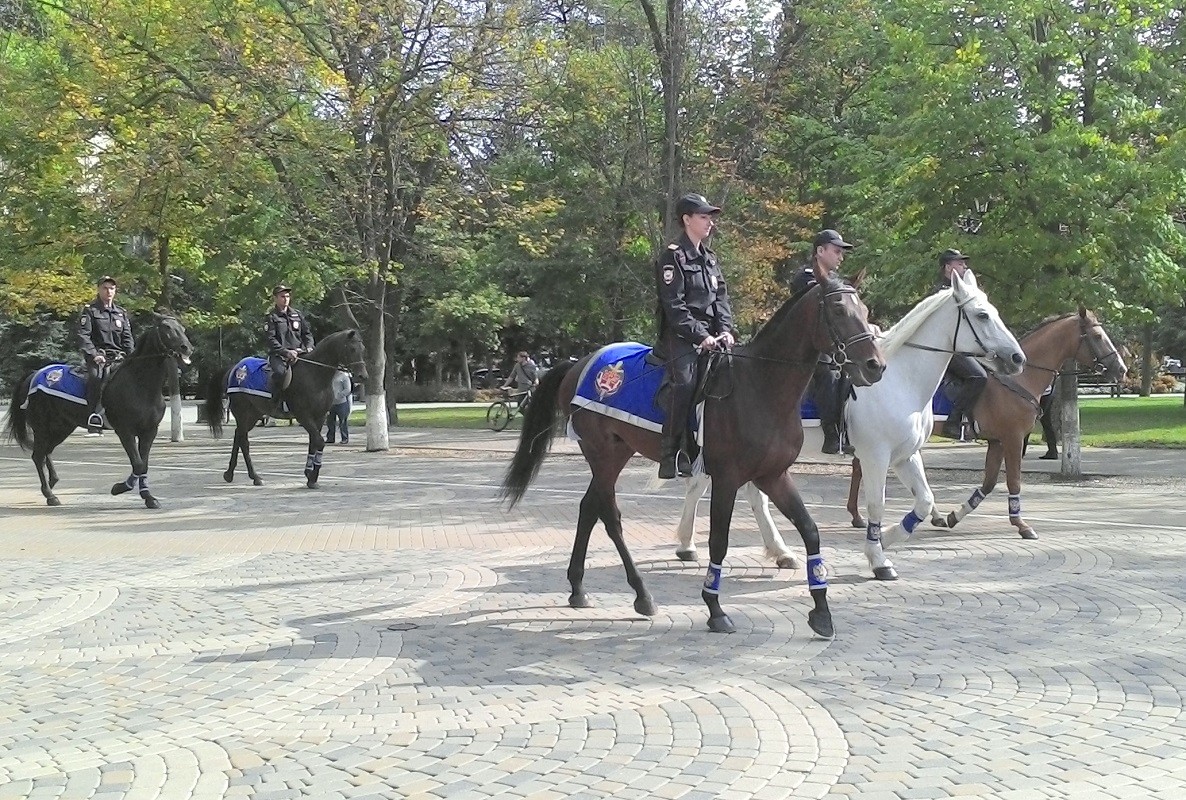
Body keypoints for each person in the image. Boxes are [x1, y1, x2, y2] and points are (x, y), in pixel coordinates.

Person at [654, 193, 735, 479]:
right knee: (685, 383)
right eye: (703, 216)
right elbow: (674, 307)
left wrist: (725, 329)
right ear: (686, 220)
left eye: (710, 217)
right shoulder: (672, 257)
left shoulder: (710, 260)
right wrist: (700, 335)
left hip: (713, 337)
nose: (710, 222)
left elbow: (721, 299)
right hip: (681, 336)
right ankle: (670, 451)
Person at [791, 229, 856, 454]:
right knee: (828, 373)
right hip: (806, 346)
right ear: (820, 251)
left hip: (830, 344)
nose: (841, 257)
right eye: (836, 251)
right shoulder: (806, 278)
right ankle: (831, 434)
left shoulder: (836, 282)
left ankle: (849, 431)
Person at [935, 249, 987, 439]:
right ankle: (953, 421)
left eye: (964, 263)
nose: (965, 266)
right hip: (947, 348)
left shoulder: (962, 291)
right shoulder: (943, 293)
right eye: (959, 263)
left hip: (962, 347)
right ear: (948, 267)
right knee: (978, 376)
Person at [78, 275, 135, 434]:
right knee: (96, 378)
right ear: (99, 289)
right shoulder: (90, 311)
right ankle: (93, 417)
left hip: (119, 357)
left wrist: (132, 357)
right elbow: (84, 335)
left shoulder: (121, 313)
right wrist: (95, 354)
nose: (108, 291)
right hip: (99, 358)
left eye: (111, 288)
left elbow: (127, 338)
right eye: (105, 288)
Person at [264, 284, 314, 401]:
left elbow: (307, 334)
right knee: (281, 374)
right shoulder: (271, 317)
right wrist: (286, 352)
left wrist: (309, 347)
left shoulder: (297, 315)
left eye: (287, 296)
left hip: (300, 354)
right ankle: (277, 402)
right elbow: (270, 339)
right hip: (279, 356)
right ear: (275, 298)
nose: (286, 299)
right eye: (282, 296)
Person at [325, 370, 352, 444]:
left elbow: (348, 389)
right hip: (330, 403)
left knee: (342, 421)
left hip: (342, 403)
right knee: (330, 422)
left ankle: (344, 438)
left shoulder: (343, 376)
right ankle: (330, 438)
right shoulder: (329, 376)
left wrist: (339, 395)